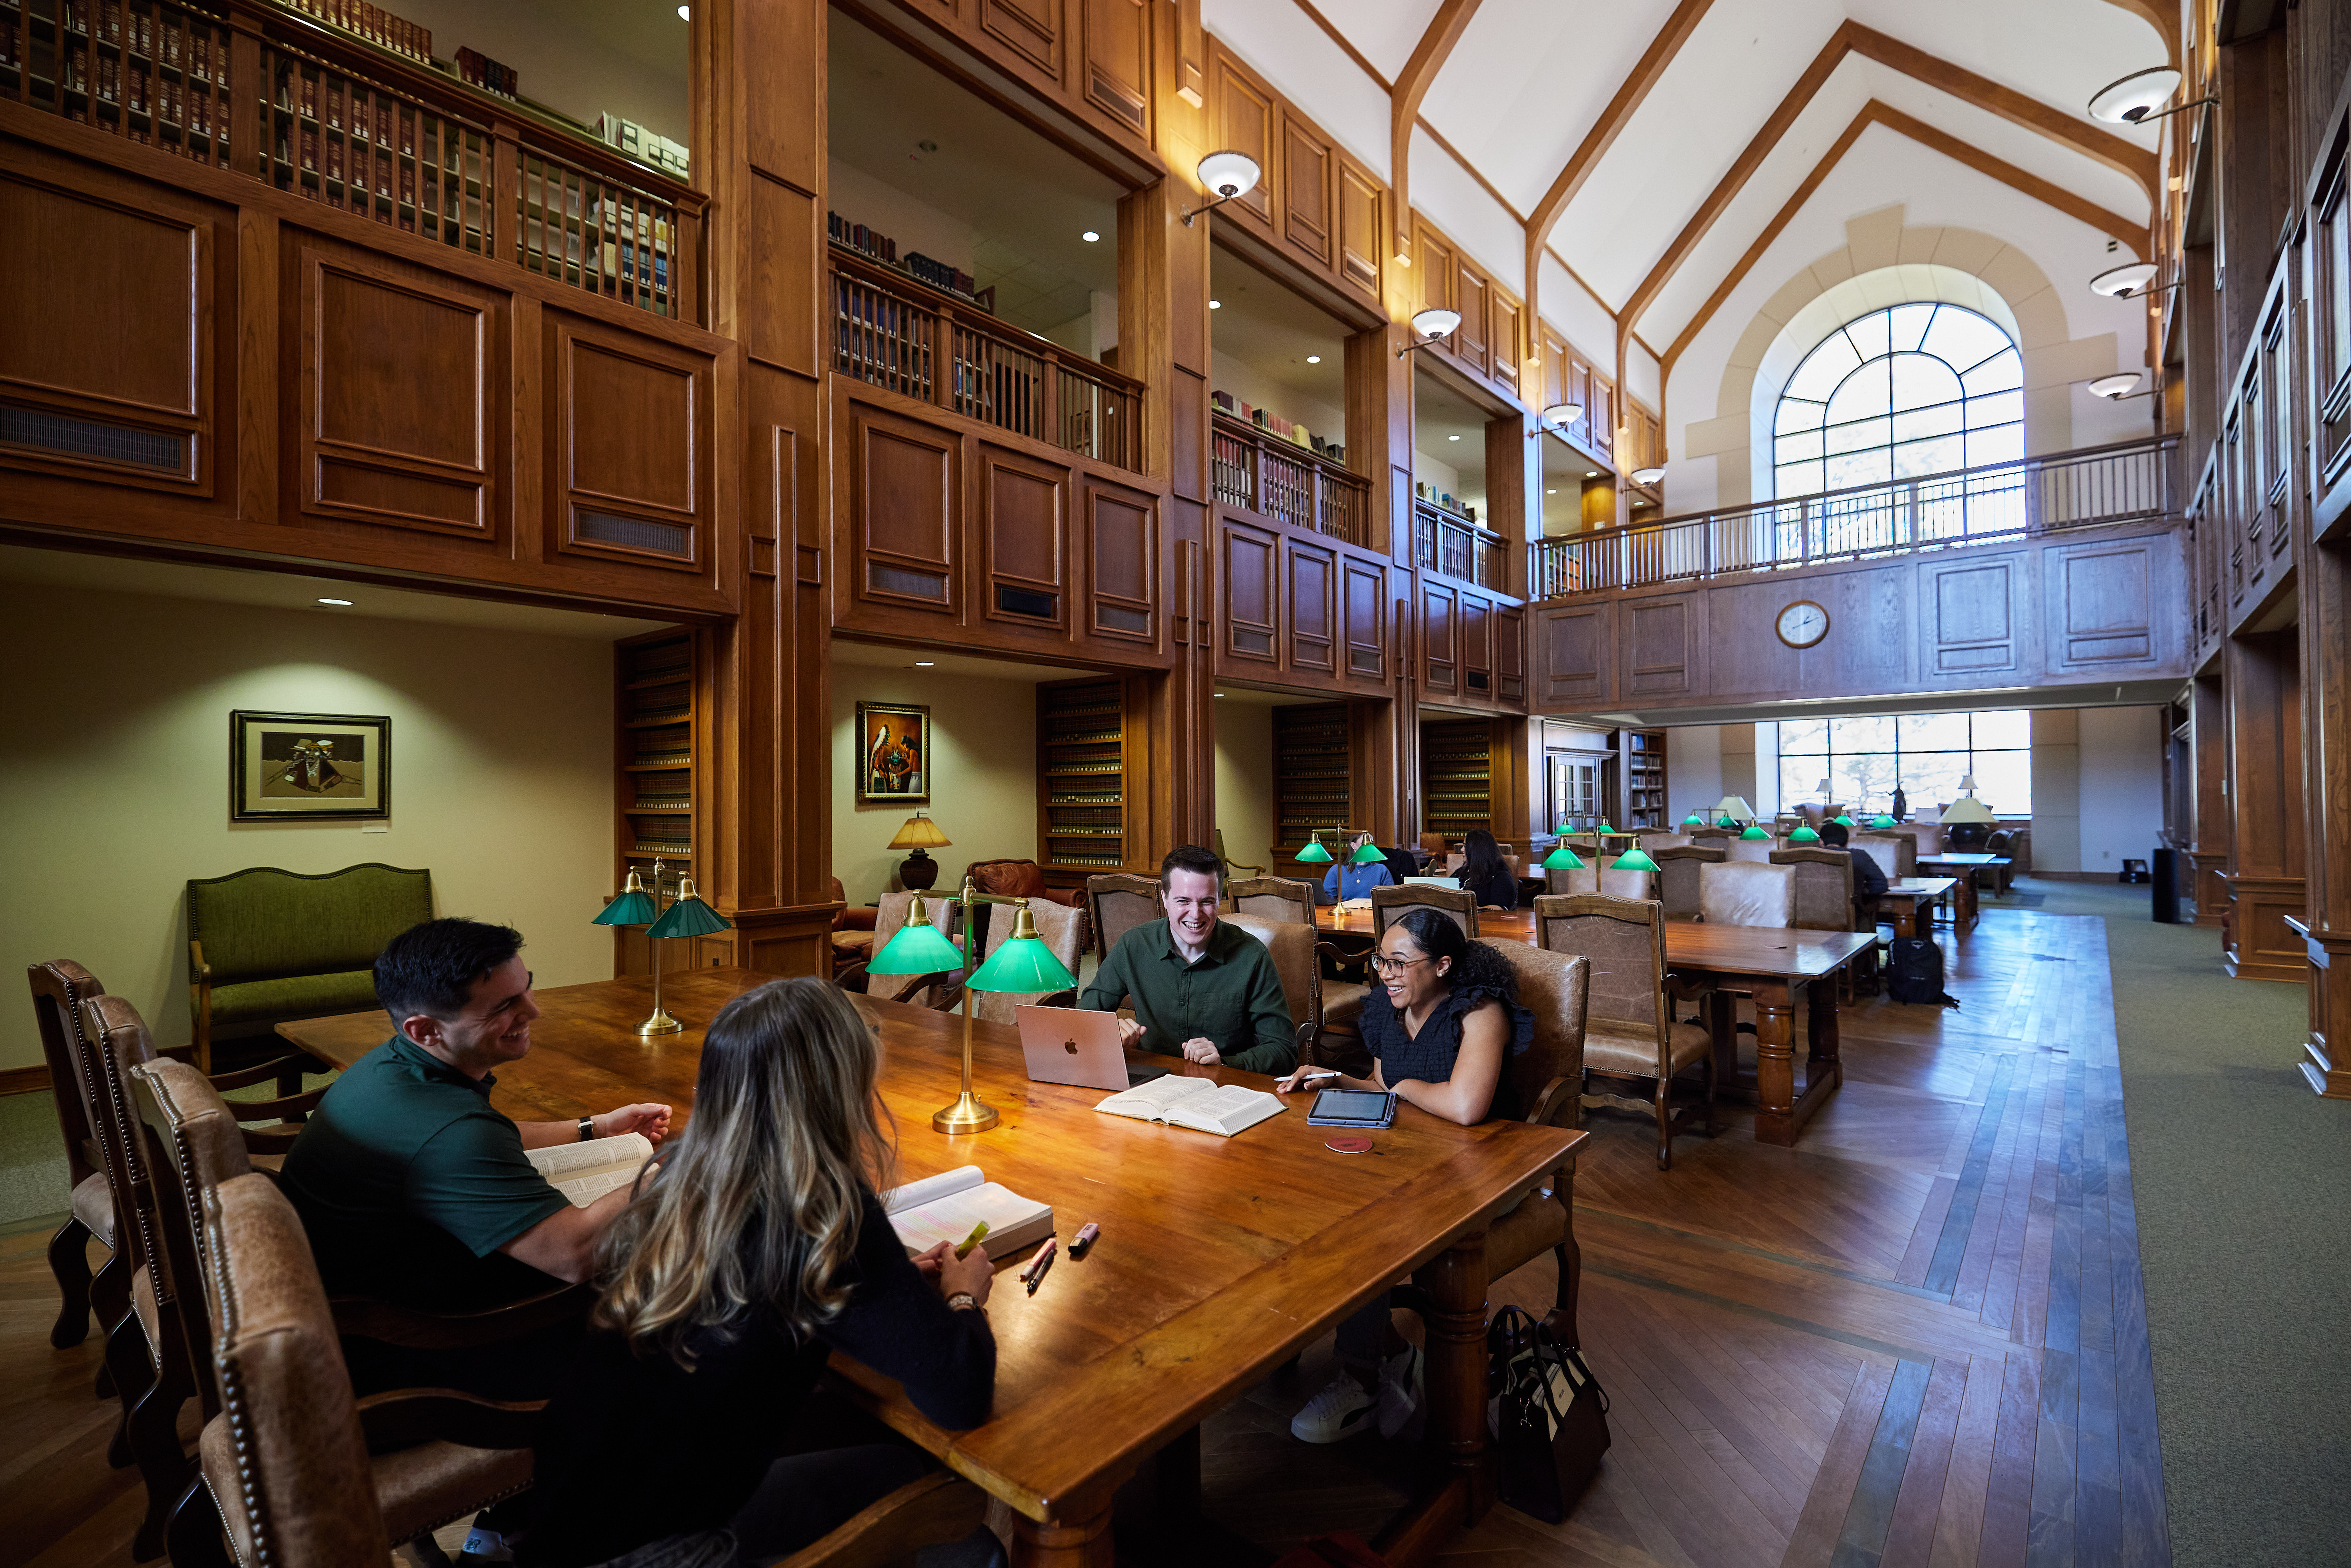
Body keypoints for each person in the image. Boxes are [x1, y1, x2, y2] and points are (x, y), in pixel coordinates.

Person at [520, 978, 1001, 1568]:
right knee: (952, 1511)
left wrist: (886, 1285)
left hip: (566, 1519)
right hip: (666, 1551)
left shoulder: (674, 1171)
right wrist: (961, 1298)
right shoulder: (822, 1207)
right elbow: (959, 1393)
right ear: (837, 1088)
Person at [278, 918, 673, 1398]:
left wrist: (596, 1127)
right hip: (414, 1350)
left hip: (365, 1302)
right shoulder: (450, 1133)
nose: (534, 1010)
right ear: (424, 1029)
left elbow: (484, 1137)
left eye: (526, 989)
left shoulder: (391, 1068)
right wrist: (673, 1167)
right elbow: (575, 1255)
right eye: (505, 1006)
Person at [1271, 909, 1533, 1443]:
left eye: (1399, 963)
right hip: (1412, 1158)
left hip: (1485, 1169)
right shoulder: (1386, 1011)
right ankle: (1379, 1350)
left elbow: (1464, 1106)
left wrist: (1403, 1086)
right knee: (1320, 1200)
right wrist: (1334, 1078)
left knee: (1367, 1225)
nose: (1385, 973)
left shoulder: (1479, 1013)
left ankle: (1362, 1378)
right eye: (1380, 961)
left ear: (1441, 965)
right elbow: (1380, 1085)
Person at [1078, 844, 1297, 1074]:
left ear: (1218, 900)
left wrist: (1225, 1062)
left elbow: (1284, 1051)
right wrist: (1109, 1034)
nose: (1195, 914)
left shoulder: (1252, 956)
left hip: (1224, 1087)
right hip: (1150, 1084)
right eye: (1183, 901)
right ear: (1164, 898)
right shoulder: (1134, 945)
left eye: (1207, 902)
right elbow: (1083, 1020)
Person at [1820, 821, 1888, 909]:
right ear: (1847, 842)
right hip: (1852, 915)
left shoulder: (1809, 857)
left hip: (1811, 917)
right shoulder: (1859, 856)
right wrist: (1861, 891)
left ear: (1821, 842)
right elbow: (1881, 885)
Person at [1453, 827, 1519, 909]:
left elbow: (1500, 909)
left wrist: (1473, 910)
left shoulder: (1501, 878)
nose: (1462, 849)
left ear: (1477, 851)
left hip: (1482, 920)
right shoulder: (1462, 872)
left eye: (1465, 846)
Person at [1321, 833, 1397, 903]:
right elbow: (1329, 899)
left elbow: (1390, 897)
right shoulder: (1337, 870)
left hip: (1371, 914)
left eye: (1371, 844)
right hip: (1344, 913)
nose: (1369, 847)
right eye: (1364, 844)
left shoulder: (1382, 870)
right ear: (1353, 846)